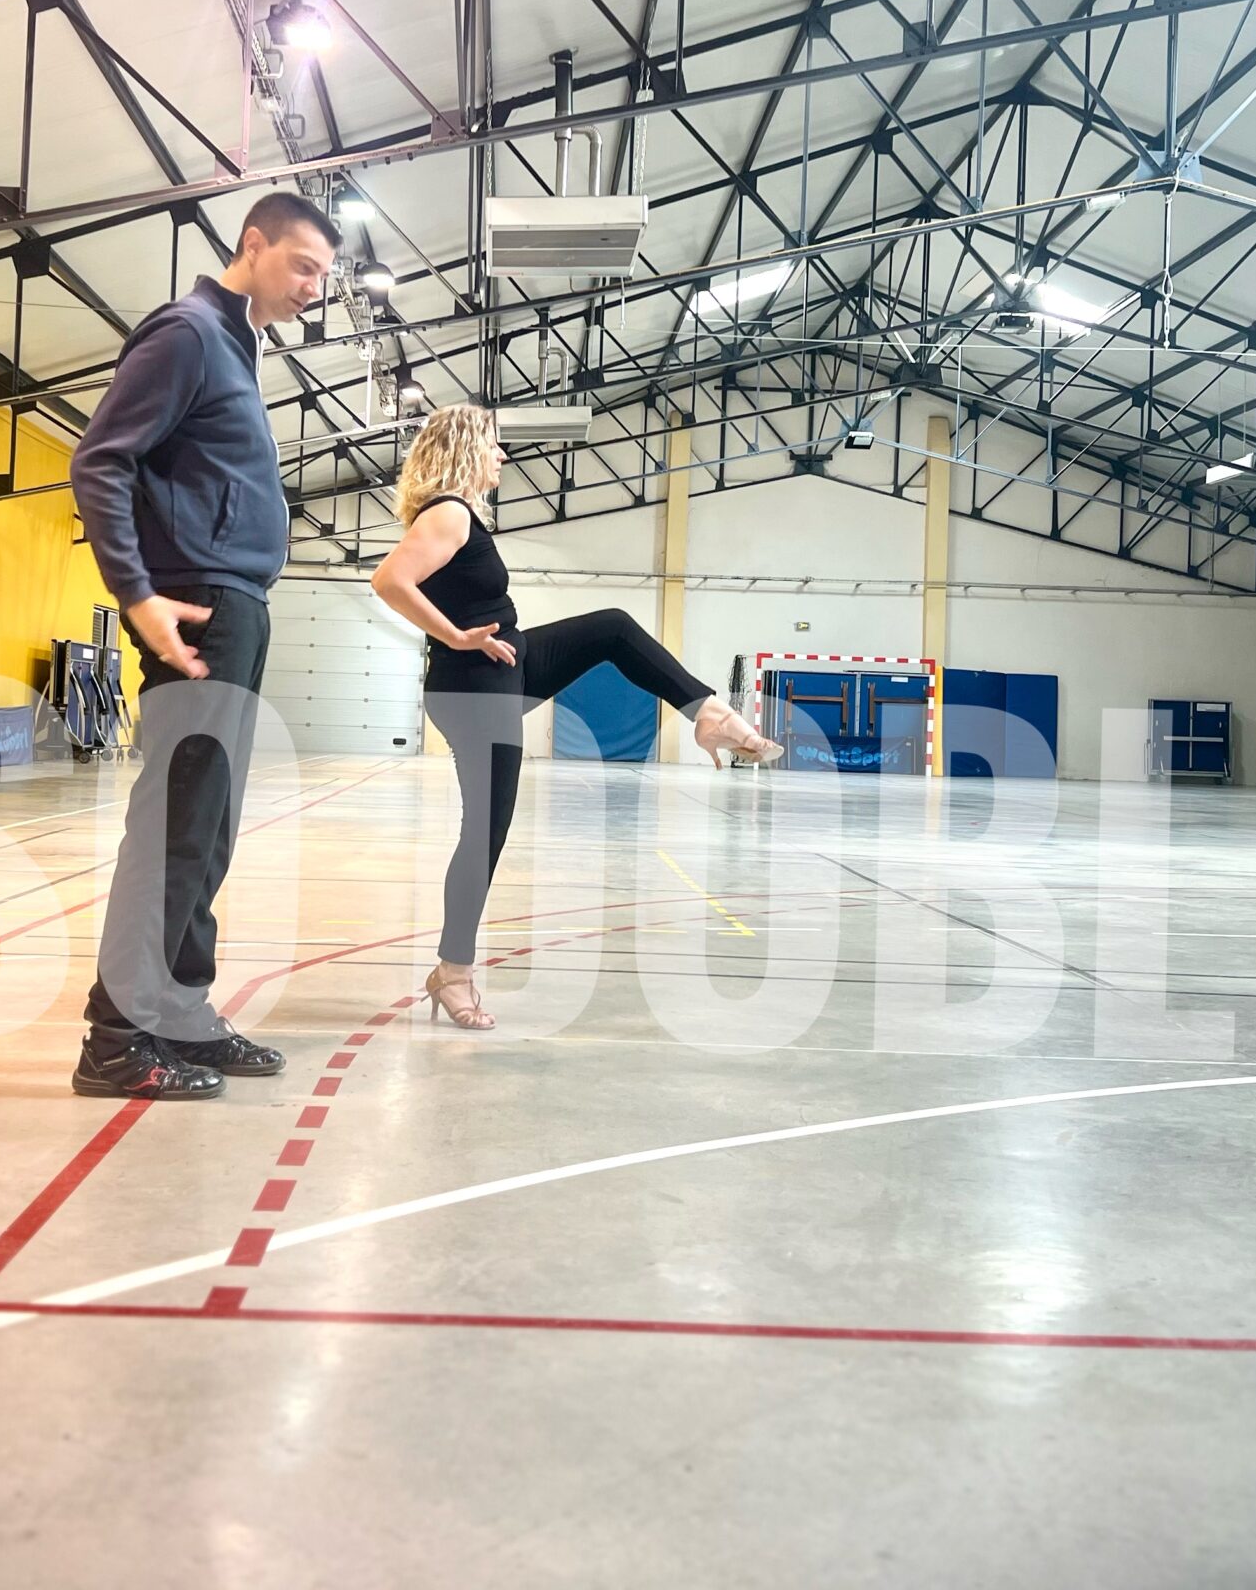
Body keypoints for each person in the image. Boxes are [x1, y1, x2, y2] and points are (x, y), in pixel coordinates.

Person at [370, 403, 781, 1030]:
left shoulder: (463, 516)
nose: (502, 457)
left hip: (507, 666)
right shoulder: (448, 513)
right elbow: (390, 581)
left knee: (613, 629)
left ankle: (708, 712)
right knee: (485, 832)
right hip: (475, 687)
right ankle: (452, 973)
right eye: (494, 446)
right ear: (464, 450)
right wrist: (454, 636)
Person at [66, 192, 340, 1099]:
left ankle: (178, 1008)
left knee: (208, 825)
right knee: (178, 821)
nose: (314, 287)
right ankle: (115, 1037)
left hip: (235, 605)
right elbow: (101, 460)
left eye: (324, 275)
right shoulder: (186, 333)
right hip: (198, 612)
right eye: (302, 265)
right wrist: (135, 594)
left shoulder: (236, 345)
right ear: (252, 244)